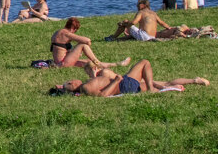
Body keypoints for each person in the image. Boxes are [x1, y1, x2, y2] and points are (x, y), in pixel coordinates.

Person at [51, 60, 209, 97]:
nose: (74, 79)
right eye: (70, 82)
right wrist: (115, 81)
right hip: (125, 84)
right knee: (144, 63)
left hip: (126, 83)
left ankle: (194, 81)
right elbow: (103, 95)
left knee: (164, 83)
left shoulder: (87, 84)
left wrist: (60, 87)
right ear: (72, 84)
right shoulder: (85, 87)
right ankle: (153, 89)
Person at [49, 18, 129, 72]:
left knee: (89, 62)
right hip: (62, 63)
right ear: (74, 28)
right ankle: (98, 62)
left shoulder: (58, 32)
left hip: (63, 61)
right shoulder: (66, 34)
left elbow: (62, 50)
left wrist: (75, 52)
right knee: (83, 45)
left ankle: (118, 64)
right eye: (75, 30)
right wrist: (84, 47)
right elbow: (87, 40)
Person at [109, 0, 182, 41]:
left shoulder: (141, 12)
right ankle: (119, 39)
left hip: (144, 36)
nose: (137, 6)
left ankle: (113, 37)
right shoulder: (153, 13)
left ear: (142, 5)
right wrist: (169, 28)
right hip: (152, 37)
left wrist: (124, 24)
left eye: (138, 5)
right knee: (132, 30)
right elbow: (162, 23)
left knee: (125, 21)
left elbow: (134, 22)